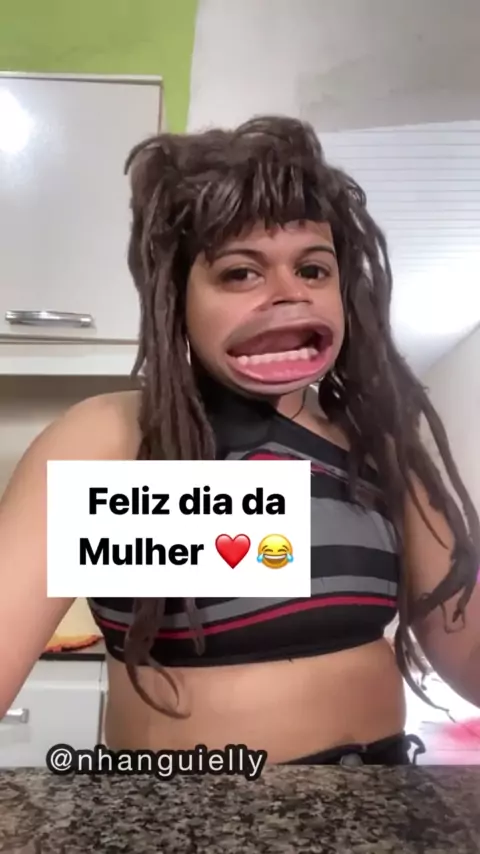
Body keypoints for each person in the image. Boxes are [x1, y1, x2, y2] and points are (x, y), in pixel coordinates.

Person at [1, 116, 479, 766]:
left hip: (381, 802)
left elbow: (463, 646)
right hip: (193, 810)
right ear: (178, 298)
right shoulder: (114, 439)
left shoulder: (377, 449)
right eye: (240, 273)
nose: (289, 292)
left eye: (313, 269)